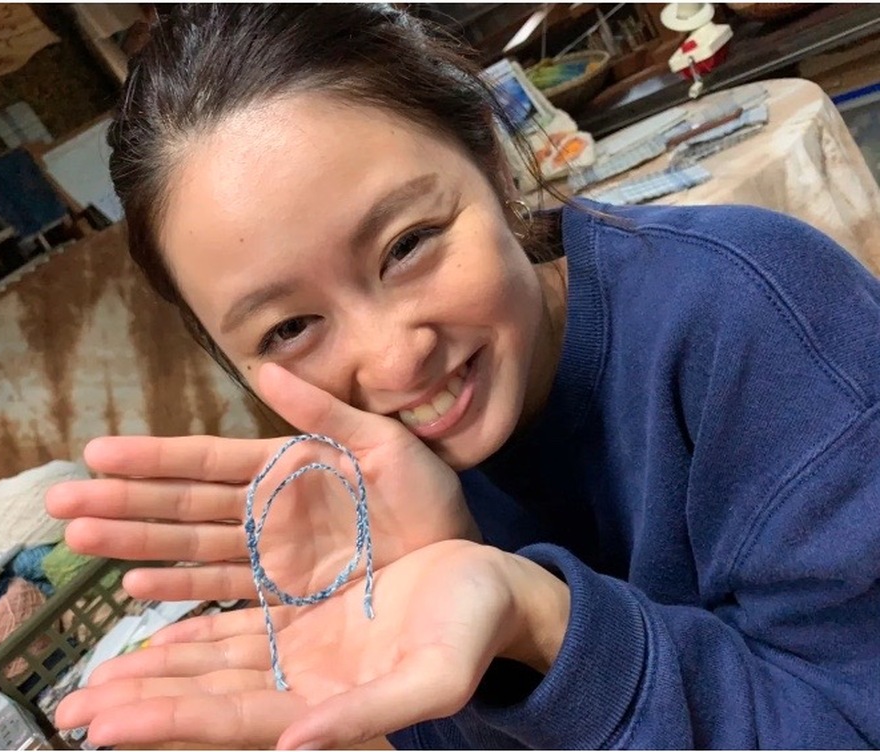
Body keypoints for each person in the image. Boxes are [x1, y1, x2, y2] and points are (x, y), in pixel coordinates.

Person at [44, 4, 880, 750]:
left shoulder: (748, 309)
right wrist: (450, 611)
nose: (394, 361)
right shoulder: (353, 500)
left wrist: (541, 623)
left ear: (492, 157)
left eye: (407, 245)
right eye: (290, 328)